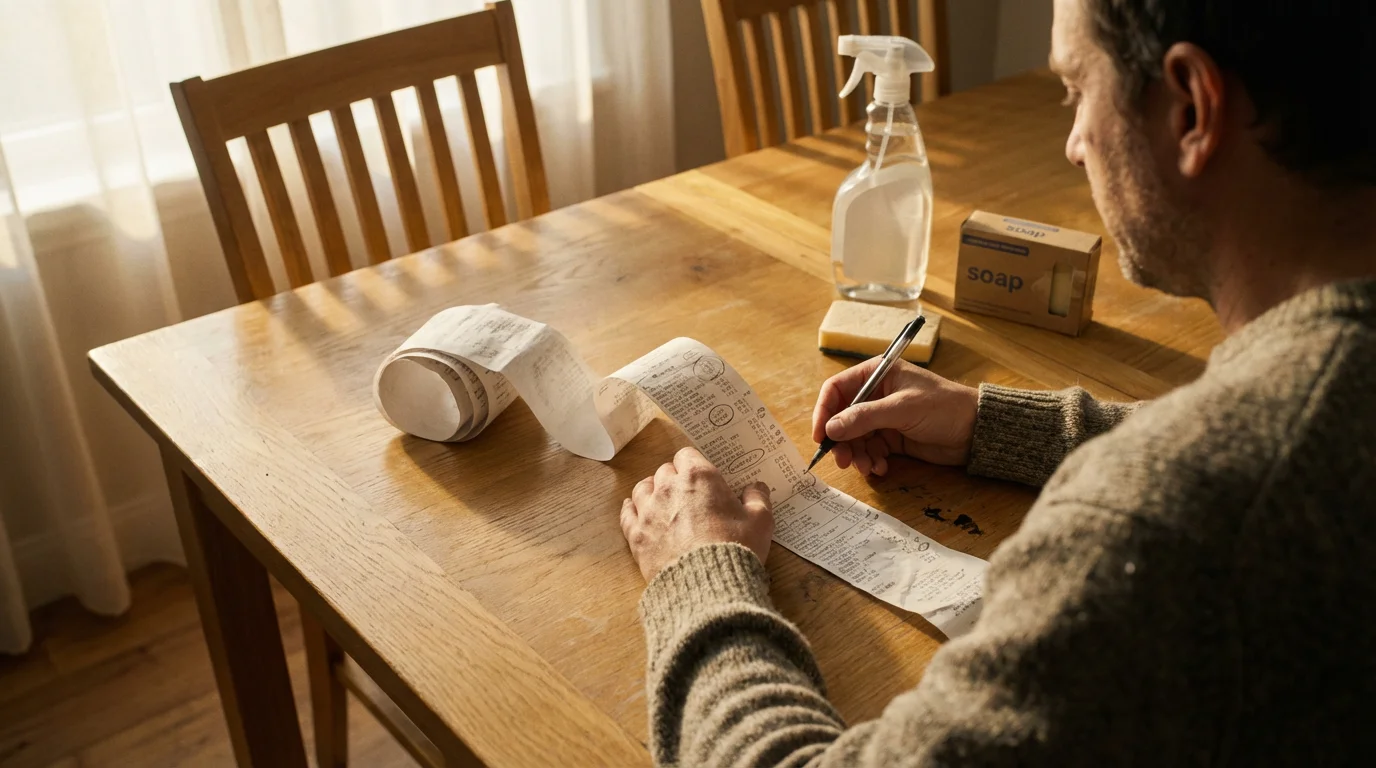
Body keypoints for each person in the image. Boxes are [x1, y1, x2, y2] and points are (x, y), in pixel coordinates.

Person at [618, 0, 1376, 764]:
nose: (1075, 145)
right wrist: (995, 424)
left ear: (1191, 109)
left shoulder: (1160, 531)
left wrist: (700, 575)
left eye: (1077, 90)